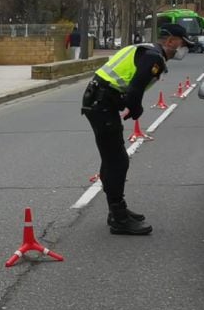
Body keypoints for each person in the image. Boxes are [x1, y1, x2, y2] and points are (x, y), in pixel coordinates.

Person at [80, 24, 194, 235]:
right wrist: (136, 108)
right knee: (118, 160)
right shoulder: (154, 58)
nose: (184, 48)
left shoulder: (145, 49)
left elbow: (131, 88)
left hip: (99, 102)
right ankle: (119, 218)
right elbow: (135, 89)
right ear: (170, 41)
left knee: (111, 158)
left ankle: (116, 211)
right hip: (102, 104)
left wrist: (132, 105)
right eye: (183, 43)